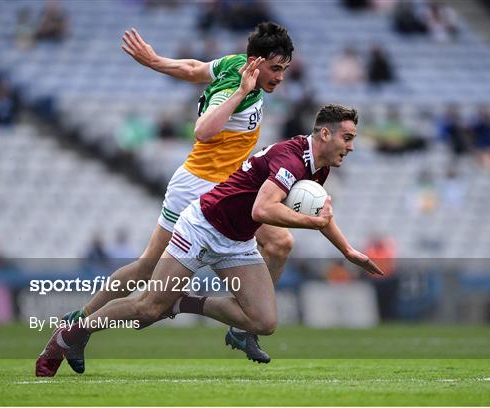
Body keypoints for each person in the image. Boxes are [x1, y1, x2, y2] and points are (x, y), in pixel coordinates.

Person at [36, 104, 384, 377]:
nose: (352, 146)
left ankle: (182, 303)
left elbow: (321, 211)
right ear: (325, 134)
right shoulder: (291, 160)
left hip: (236, 241)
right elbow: (264, 210)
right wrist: (310, 221)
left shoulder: (318, 164)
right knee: (145, 311)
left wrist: (349, 251)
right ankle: (70, 334)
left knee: (264, 322)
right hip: (202, 227)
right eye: (348, 138)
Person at [51, 22, 295, 372]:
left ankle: (80, 326)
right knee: (149, 270)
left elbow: (194, 69)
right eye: (275, 68)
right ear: (255, 63)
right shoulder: (240, 88)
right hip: (201, 187)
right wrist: (241, 93)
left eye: (284, 69)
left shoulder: (233, 63)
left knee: (278, 243)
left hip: (222, 186)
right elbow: (203, 130)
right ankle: (81, 325)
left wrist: (154, 61)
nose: (281, 77)